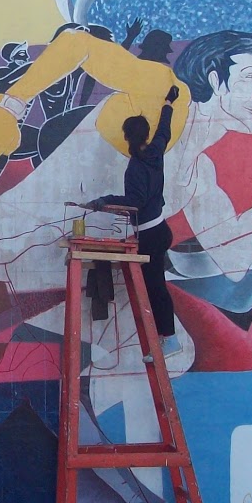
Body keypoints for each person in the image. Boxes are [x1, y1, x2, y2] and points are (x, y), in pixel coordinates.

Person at [76, 84, 181, 356]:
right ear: (145, 135)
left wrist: (104, 200)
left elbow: (135, 201)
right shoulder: (155, 152)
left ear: (126, 138)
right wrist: (168, 103)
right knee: (154, 287)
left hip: (149, 234)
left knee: (155, 289)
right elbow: (164, 130)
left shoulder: (136, 166)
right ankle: (165, 338)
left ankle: (168, 339)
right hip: (159, 229)